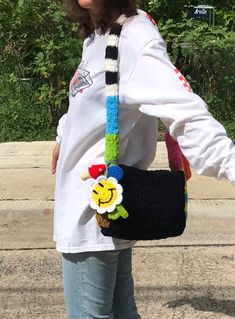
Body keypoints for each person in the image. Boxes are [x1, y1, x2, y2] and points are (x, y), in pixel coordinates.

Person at [51, 0, 235, 318]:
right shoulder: (98, 34)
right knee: (123, 312)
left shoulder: (133, 37)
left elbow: (185, 111)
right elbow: (90, 100)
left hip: (91, 211)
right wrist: (64, 134)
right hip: (103, 210)